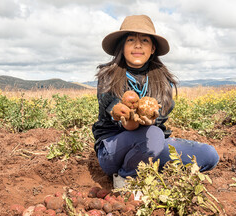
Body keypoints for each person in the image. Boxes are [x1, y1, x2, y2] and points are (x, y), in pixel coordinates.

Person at [92, 15, 219, 188]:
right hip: (113, 150)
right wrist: (128, 118)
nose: (138, 45)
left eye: (144, 40)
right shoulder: (109, 76)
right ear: (122, 47)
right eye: (131, 40)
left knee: (208, 155)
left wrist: (151, 121)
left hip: (150, 145)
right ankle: (125, 179)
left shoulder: (162, 80)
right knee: (153, 134)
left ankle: (144, 166)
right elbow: (118, 115)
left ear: (152, 49)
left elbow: (157, 122)